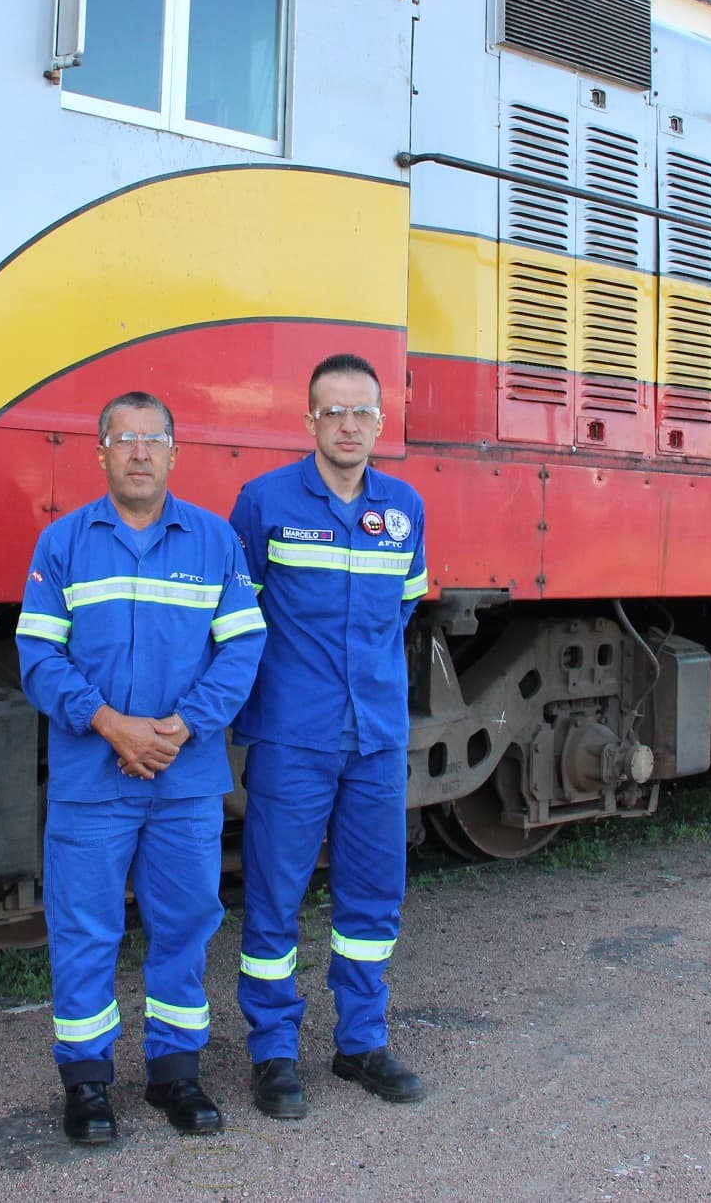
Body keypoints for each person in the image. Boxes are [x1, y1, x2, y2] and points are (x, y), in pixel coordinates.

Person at [16, 391, 266, 1145]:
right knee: (85, 929)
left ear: (173, 452)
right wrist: (109, 722)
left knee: (184, 924)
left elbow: (243, 647)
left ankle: (175, 1075)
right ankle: (87, 1083)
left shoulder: (215, 543)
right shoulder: (62, 545)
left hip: (184, 779)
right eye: (123, 438)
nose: (138, 451)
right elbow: (36, 655)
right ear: (101, 453)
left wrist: (182, 724)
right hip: (95, 779)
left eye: (152, 438)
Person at [229, 352, 429, 1118]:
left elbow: (404, 609)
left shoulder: (404, 507)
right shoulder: (264, 501)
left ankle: (361, 1043)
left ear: (381, 421)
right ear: (309, 420)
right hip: (291, 736)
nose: (349, 425)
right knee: (276, 898)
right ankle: (274, 1052)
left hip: (375, 737)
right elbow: (239, 617)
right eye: (334, 412)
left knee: (374, 896)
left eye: (363, 412)